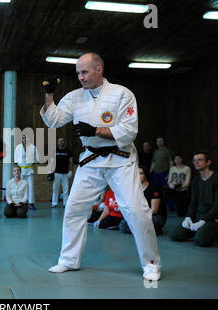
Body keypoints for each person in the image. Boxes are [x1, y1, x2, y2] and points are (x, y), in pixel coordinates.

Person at [40, 52, 161, 281]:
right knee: (74, 208)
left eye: (84, 72)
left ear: (99, 69)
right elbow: (53, 119)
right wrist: (49, 94)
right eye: (78, 73)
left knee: (136, 211)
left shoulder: (122, 94)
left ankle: (152, 263)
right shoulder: (75, 97)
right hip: (91, 160)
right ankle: (69, 260)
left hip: (120, 159)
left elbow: (129, 131)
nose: (81, 77)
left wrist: (95, 131)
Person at [169, 151, 218, 247]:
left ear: (208, 162)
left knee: (201, 240)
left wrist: (203, 221)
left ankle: (214, 231)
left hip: (214, 218)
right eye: (194, 160)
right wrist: (188, 217)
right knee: (174, 234)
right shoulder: (196, 181)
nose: (196, 162)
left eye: (200, 160)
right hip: (198, 217)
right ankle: (202, 230)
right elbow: (193, 203)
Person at [119, 166, 167, 235]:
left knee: (141, 222)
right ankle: (149, 230)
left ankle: (144, 229)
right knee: (123, 225)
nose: (138, 176)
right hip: (140, 216)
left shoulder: (154, 188)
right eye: (136, 174)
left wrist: (139, 217)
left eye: (141, 173)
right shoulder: (135, 189)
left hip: (156, 217)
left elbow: (154, 210)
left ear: (145, 175)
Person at [14, 134, 39, 210]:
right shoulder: (18, 148)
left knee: (31, 187)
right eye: (23, 138)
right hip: (20, 171)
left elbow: (36, 160)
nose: (24, 139)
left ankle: (31, 203)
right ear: (21, 139)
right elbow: (16, 160)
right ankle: (19, 202)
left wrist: (29, 164)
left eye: (26, 138)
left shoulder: (33, 147)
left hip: (29, 170)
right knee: (19, 187)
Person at [51, 137, 74, 208]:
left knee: (65, 190)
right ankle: (54, 203)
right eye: (59, 141)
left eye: (62, 141)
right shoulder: (55, 151)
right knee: (55, 189)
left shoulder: (68, 151)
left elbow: (71, 162)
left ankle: (65, 203)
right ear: (58, 143)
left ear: (64, 142)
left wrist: (71, 171)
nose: (61, 142)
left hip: (65, 173)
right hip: (56, 173)